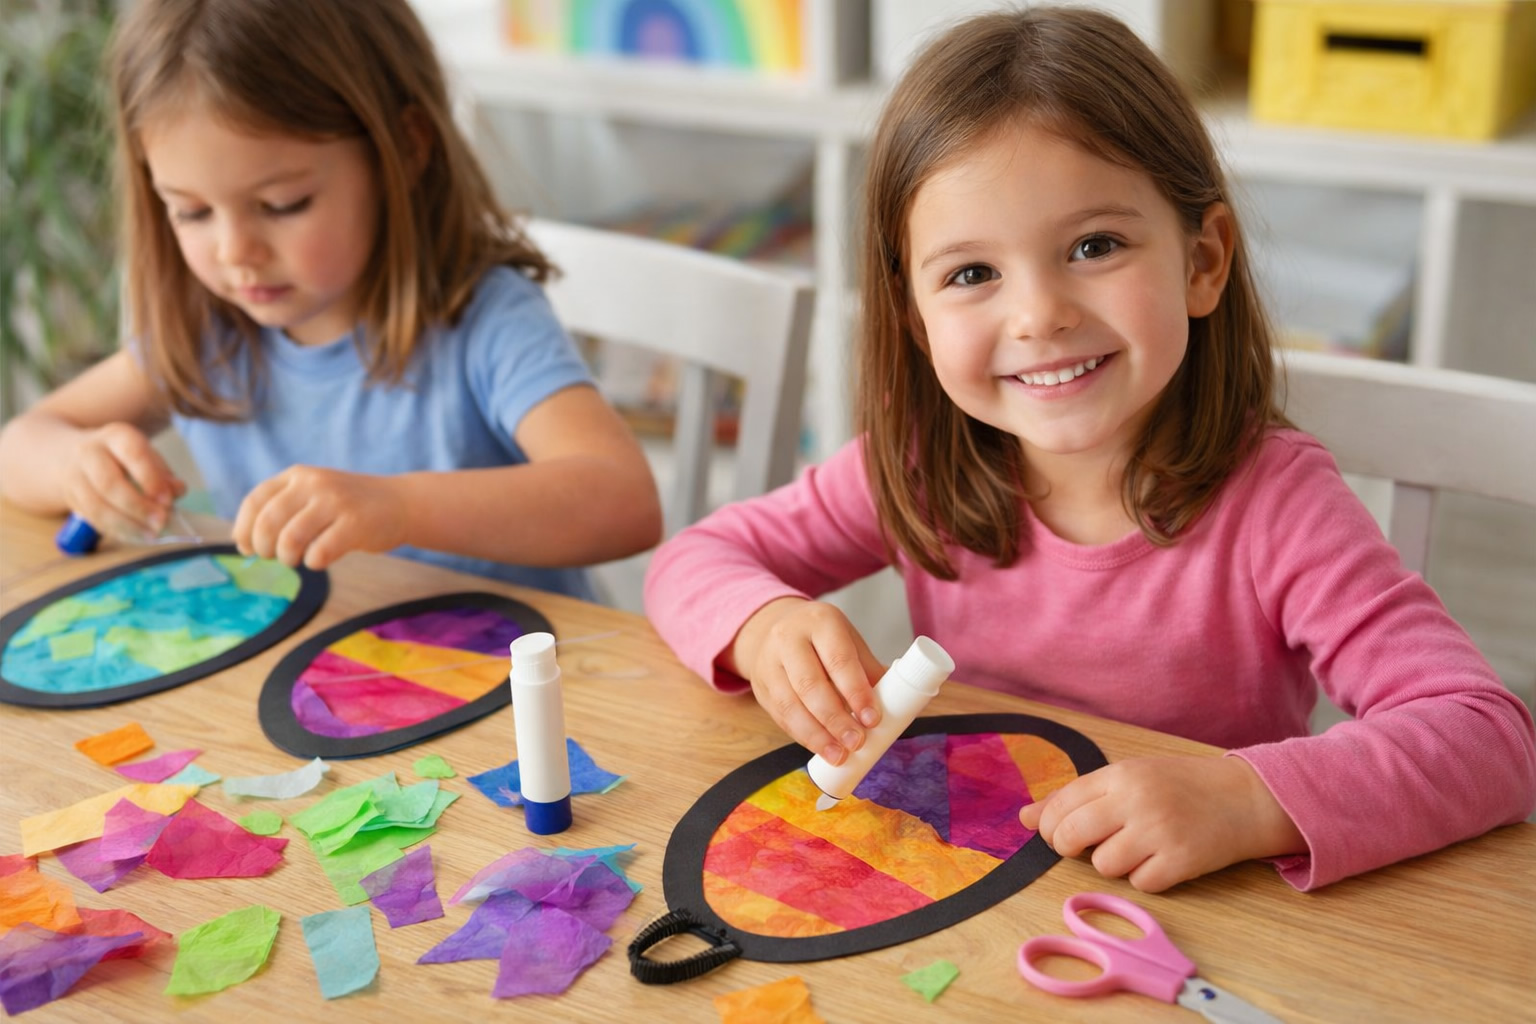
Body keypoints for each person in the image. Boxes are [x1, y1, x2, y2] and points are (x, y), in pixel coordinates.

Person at [643, 7, 1535, 891]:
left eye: (1093, 246)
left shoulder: (1279, 506)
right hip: (977, 885)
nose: (1039, 315)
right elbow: (695, 558)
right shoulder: (916, 463)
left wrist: (1244, 799)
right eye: (972, 273)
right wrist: (763, 628)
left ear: (1203, 262)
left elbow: (1487, 736)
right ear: (915, 316)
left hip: (1198, 919)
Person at [0, 0, 661, 601]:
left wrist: (399, 507)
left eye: (282, 205)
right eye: (191, 212)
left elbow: (623, 503)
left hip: (519, 688)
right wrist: (77, 468)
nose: (236, 251)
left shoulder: (485, 319)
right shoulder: (208, 334)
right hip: (320, 680)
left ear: (404, 149)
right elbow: (18, 445)